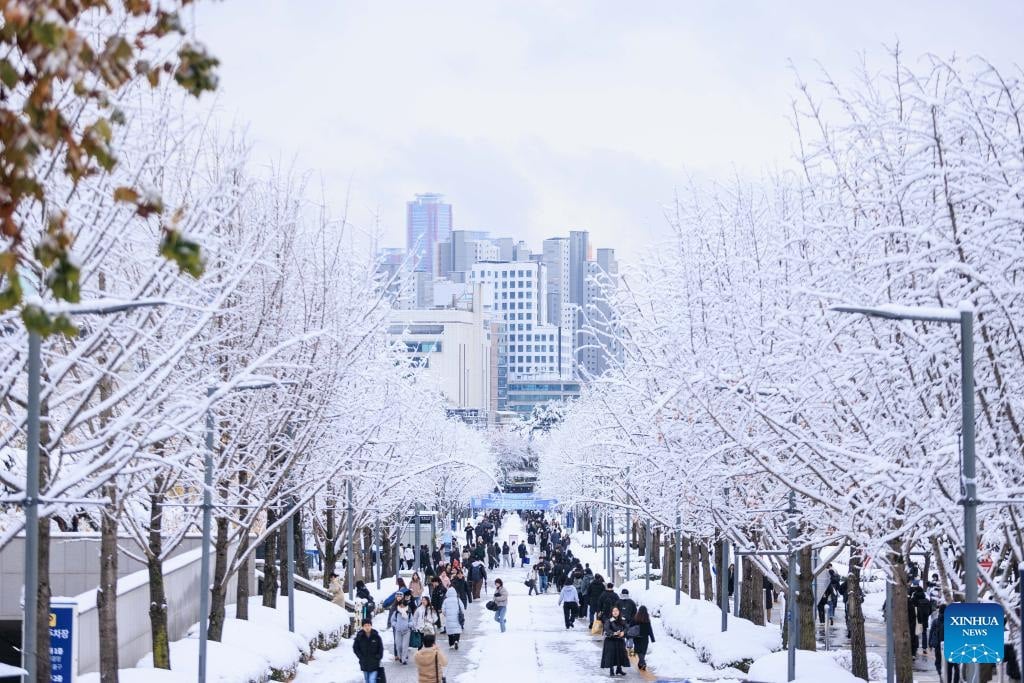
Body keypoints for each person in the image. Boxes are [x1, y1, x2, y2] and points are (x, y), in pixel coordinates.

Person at [601, 606, 630, 677]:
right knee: (611, 656)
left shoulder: (622, 619)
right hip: (611, 641)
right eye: (613, 611)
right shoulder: (609, 620)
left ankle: (619, 669)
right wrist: (613, 633)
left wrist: (623, 632)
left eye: (616, 610)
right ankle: (611, 670)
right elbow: (606, 629)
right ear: (611, 612)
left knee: (620, 655)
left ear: (619, 611)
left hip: (620, 640)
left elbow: (627, 627)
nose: (615, 612)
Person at [352, 618, 384, 683]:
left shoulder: (376, 636)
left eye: (369, 625)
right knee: (367, 680)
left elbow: (380, 648)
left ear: (371, 626)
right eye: (365, 625)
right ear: (363, 627)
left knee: (372, 680)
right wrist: (360, 656)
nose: (367, 627)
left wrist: (378, 657)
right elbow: (355, 648)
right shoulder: (359, 636)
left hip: (374, 662)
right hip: (364, 663)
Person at [388, 592, 414, 664]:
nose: (402, 606)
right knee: (398, 645)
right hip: (398, 631)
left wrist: (409, 625)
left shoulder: (408, 612)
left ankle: (404, 659)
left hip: (407, 631)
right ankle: (400, 656)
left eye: (403, 605)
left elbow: (412, 621)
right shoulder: (396, 612)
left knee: (404, 646)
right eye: (401, 605)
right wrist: (395, 625)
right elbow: (392, 620)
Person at [631, 606, 655, 671]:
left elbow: (630, 627)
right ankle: (642, 663)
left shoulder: (635, 619)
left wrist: (629, 635)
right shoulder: (647, 620)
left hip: (637, 638)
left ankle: (641, 662)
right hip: (645, 638)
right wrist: (652, 638)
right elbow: (650, 630)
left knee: (639, 651)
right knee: (643, 651)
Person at [441, 585, 465, 649]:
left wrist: (446, 614)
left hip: (449, 619)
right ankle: (456, 641)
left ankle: (451, 644)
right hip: (457, 618)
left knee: (450, 631)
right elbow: (462, 608)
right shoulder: (458, 599)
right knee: (457, 630)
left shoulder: (446, 600)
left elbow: (443, 610)